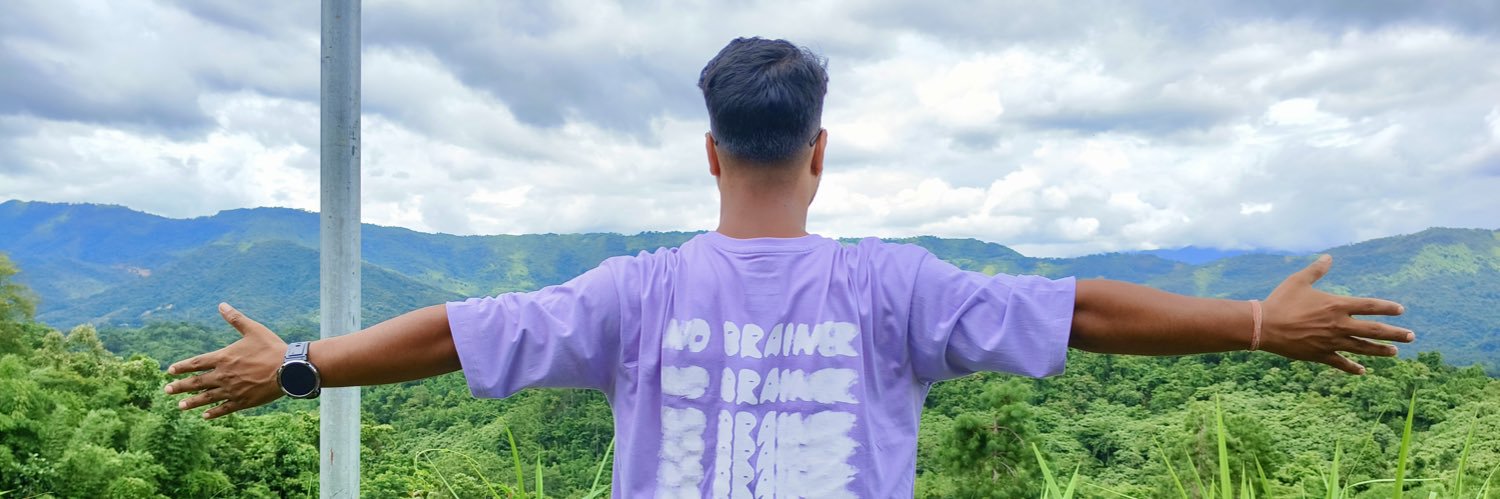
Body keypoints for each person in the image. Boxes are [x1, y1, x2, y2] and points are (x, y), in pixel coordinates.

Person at [162, 37, 1412, 498]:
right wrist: (1257, 321)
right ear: (819, 151)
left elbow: (454, 333)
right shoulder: (897, 287)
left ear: (712, 152)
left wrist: (298, 367)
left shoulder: (632, 293)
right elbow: (1081, 310)